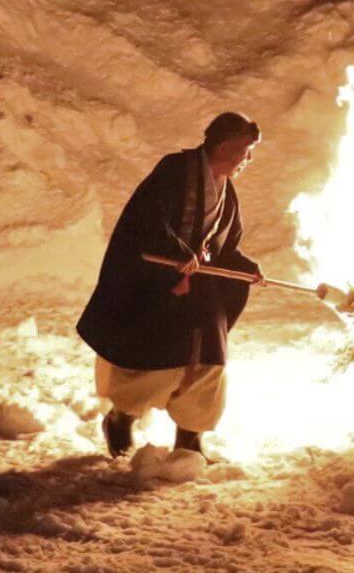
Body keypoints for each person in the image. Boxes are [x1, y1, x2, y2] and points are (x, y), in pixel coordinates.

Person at [76, 112, 265, 461]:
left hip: (197, 292)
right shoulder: (175, 171)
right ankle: (121, 417)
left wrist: (243, 268)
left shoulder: (227, 191)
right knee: (150, 363)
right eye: (245, 150)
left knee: (211, 358)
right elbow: (146, 222)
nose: (248, 159)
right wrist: (176, 258)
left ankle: (189, 440)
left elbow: (222, 247)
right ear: (223, 146)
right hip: (155, 288)